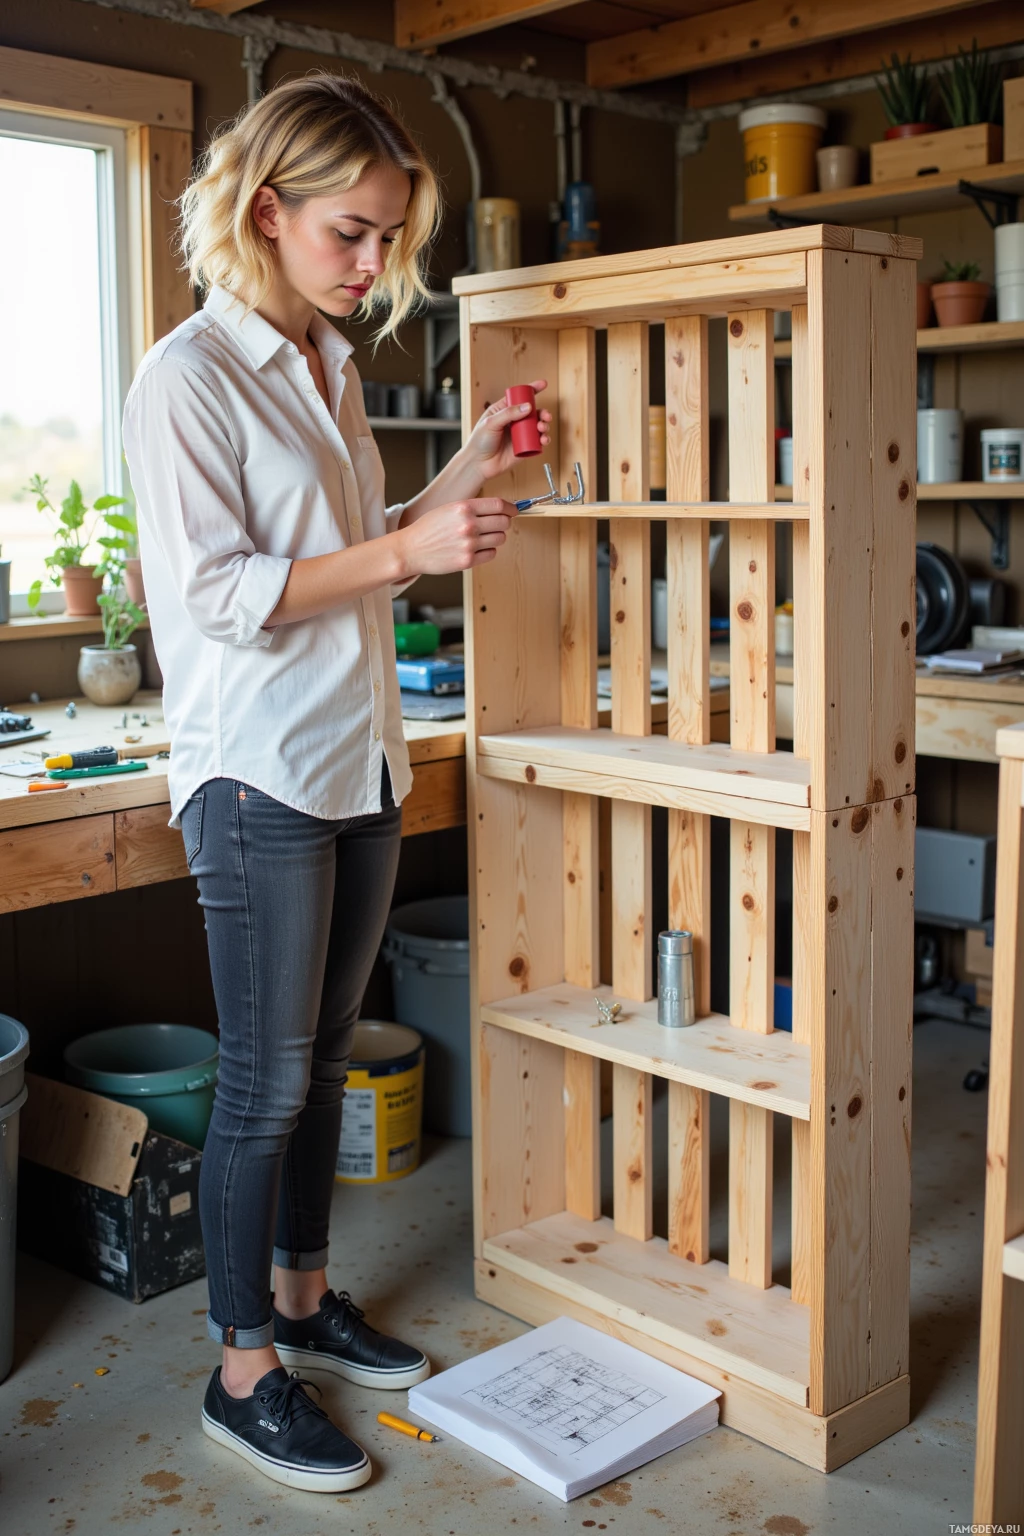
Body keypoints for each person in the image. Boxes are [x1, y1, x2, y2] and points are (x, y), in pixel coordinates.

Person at [121, 70, 549, 1494]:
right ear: (268, 211)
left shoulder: (325, 364)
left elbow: (361, 542)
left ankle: (303, 1301)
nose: (375, 268)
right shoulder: (187, 378)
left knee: (320, 1061)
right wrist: (405, 552)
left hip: (358, 756)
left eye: (388, 241)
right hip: (257, 775)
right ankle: (243, 1370)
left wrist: (466, 470)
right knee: (262, 1084)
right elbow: (229, 592)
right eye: (354, 235)